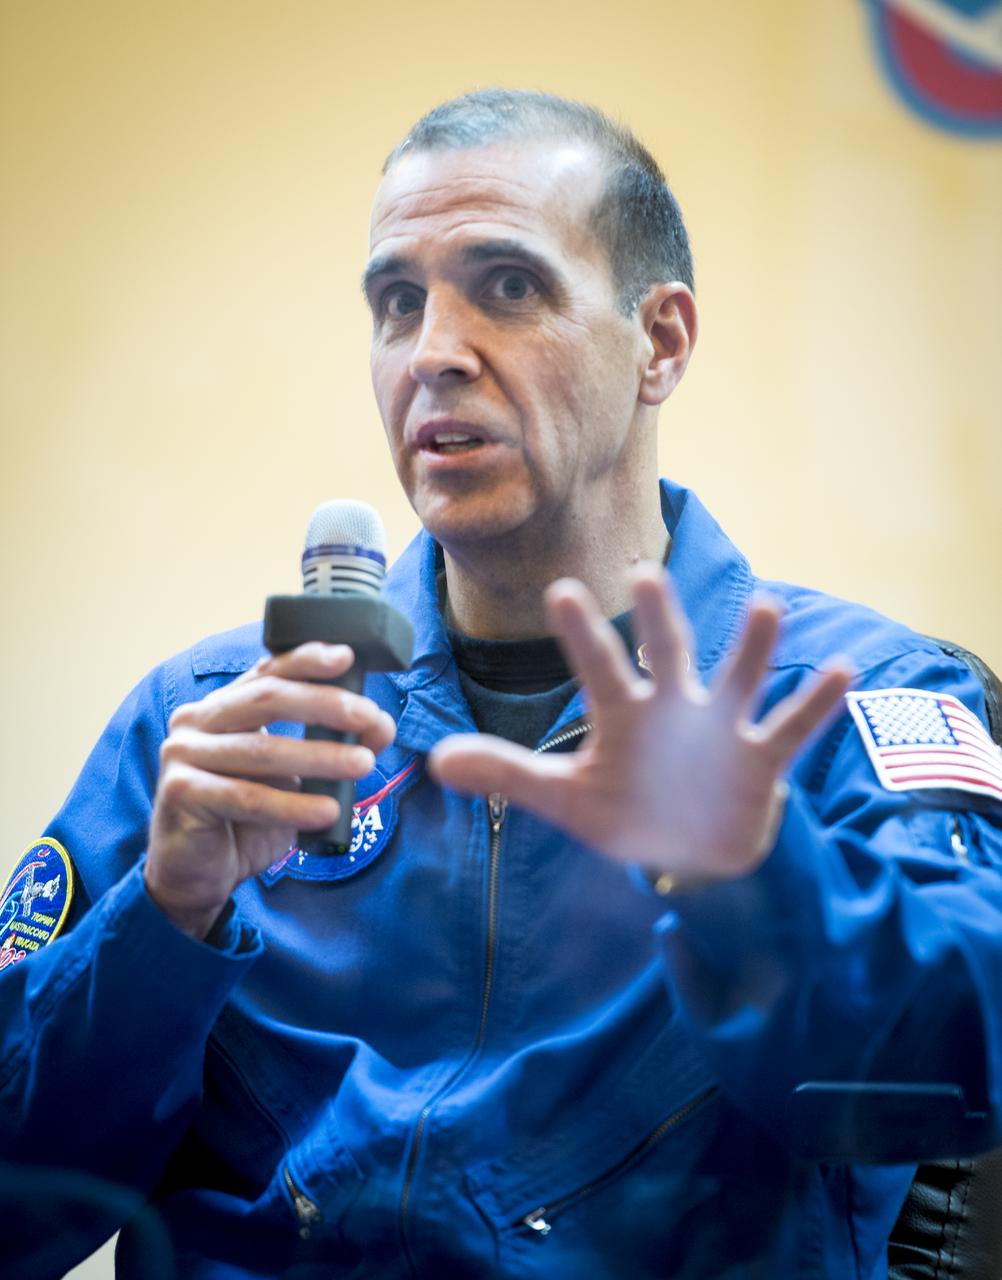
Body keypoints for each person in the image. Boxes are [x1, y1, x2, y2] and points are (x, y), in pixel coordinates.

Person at [2, 89, 1001, 1280]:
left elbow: (957, 1077)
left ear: (662, 341)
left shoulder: (846, 702)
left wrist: (753, 877)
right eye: (396, 302)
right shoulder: (210, 725)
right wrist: (163, 923)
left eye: (509, 287)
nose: (432, 351)